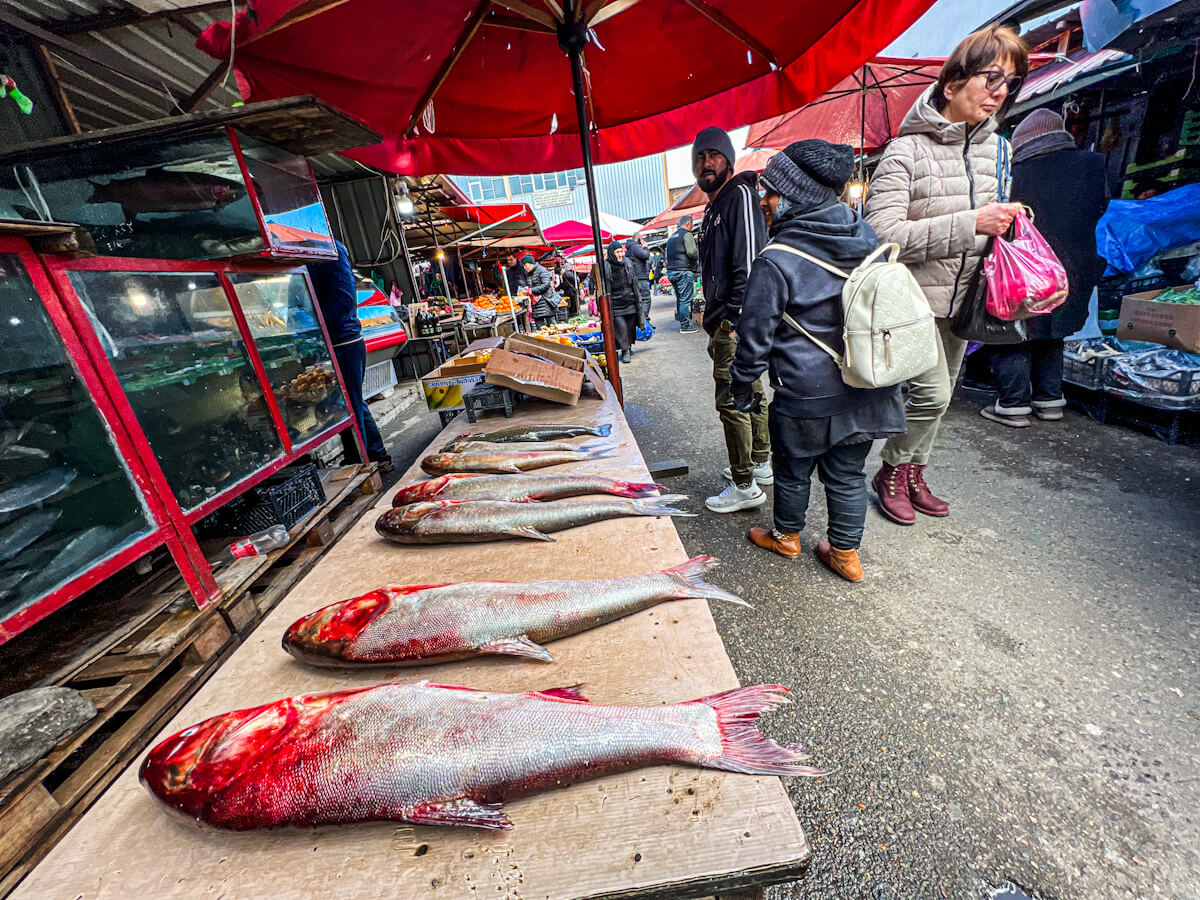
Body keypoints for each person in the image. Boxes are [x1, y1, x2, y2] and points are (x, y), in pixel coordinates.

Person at [863, 25, 1028, 525]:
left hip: (969, 296)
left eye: (1010, 82)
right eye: (991, 77)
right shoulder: (906, 152)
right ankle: (891, 471)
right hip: (913, 300)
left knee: (945, 395)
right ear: (953, 83)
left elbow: (991, 223)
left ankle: (915, 472)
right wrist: (971, 223)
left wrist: (1010, 220)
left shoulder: (999, 151)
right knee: (931, 394)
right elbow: (881, 234)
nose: (999, 92)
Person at [730, 141, 906, 580]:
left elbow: (755, 335)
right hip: (868, 382)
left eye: (771, 192)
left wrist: (742, 383)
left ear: (795, 195)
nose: (765, 201)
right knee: (847, 474)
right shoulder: (865, 238)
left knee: (792, 469)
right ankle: (845, 555)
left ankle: (786, 537)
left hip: (806, 395)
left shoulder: (777, 259)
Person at [981, 109, 1108, 426]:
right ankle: (1049, 400)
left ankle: (1013, 404)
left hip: (1023, 265)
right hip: (1075, 265)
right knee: (1054, 330)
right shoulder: (1092, 164)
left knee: (1013, 328)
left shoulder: (1016, 172)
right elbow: (1100, 205)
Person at [693, 126, 772, 514]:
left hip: (733, 320)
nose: (706, 162)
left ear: (728, 159)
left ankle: (744, 485)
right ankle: (759, 462)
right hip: (726, 319)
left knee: (731, 402)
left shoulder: (739, 194)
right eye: (700, 157)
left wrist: (735, 319)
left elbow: (751, 260)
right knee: (749, 390)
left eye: (714, 154)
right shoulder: (715, 206)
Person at [306, 239, 393, 472]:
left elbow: (342, 301)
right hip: (338, 340)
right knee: (351, 401)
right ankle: (376, 455)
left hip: (342, 341)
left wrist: (312, 325)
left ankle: (360, 463)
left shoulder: (328, 249)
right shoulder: (321, 248)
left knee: (349, 405)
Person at [602, 240, 640, 363]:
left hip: (630, 301)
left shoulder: (628, 263)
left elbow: (634, 281)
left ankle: (628, 347)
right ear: (612, 253)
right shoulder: (606, 266)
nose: (620, 254)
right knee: (621, 328)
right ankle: (625, 350)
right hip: (616, 304)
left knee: (630, 327)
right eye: (617, 252)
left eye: (621, 251)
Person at [665, 216, 699, 333]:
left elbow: (667, 256)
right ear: (688, 224)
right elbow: (692, 252)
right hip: (683, 271)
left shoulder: (672, 237)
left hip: (672, 271)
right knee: (685, 300)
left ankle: (683, 321)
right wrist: (697, 255)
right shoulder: (687, 234)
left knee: (680, 299)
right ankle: (685, 326)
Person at [522, 253, 562, 329]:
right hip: (536, 304)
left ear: (530, 263)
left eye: (525, 265)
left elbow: (546, 285)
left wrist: (531, 291)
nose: (524, 267)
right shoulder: (529, 274)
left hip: (546, 301)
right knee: (540, 327)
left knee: (552, 326)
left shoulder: (541, 270)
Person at [625, 232, 652, 324]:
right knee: (646, 299)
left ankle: (642, 320)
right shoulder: (635, 247)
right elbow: (645, 255)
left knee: (639, 300)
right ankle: (644, 321)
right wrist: (645, 247)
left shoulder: (629, 248)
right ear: (639, 238)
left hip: (635, 277)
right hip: (640, 277)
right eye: (642, 238)